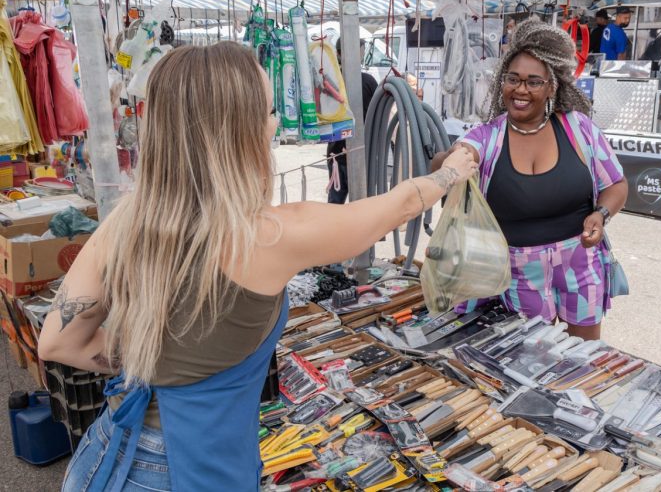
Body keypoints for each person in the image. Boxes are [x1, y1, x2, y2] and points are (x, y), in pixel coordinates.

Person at [38, 41, 476, 491]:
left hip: (105, 455)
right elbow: (399, 205)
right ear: (240, 132)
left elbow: (57, 342)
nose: (276, 122)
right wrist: (452, 170)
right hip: (184, 470)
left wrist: (153, 361)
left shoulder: (127, 220)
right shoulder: (269, 236)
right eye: (270, 111)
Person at [432, 19, 628, 340]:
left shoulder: (579, 129)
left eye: (534, 82)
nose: (521, 89)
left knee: (585, 353)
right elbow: (460, 154)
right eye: (513, 79)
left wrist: (601, 214)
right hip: (519, 271)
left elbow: (616, 185)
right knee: (531, 355)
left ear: (552, 86)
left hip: (580, 261)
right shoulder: (488, 136)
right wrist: (452, 159)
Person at [327, 37, 379, 204]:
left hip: (339, 154)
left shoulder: (330, 82)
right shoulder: (367, 81)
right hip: (356, 154)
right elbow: (379, 117)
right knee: (361, 205)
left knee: (335, 205)